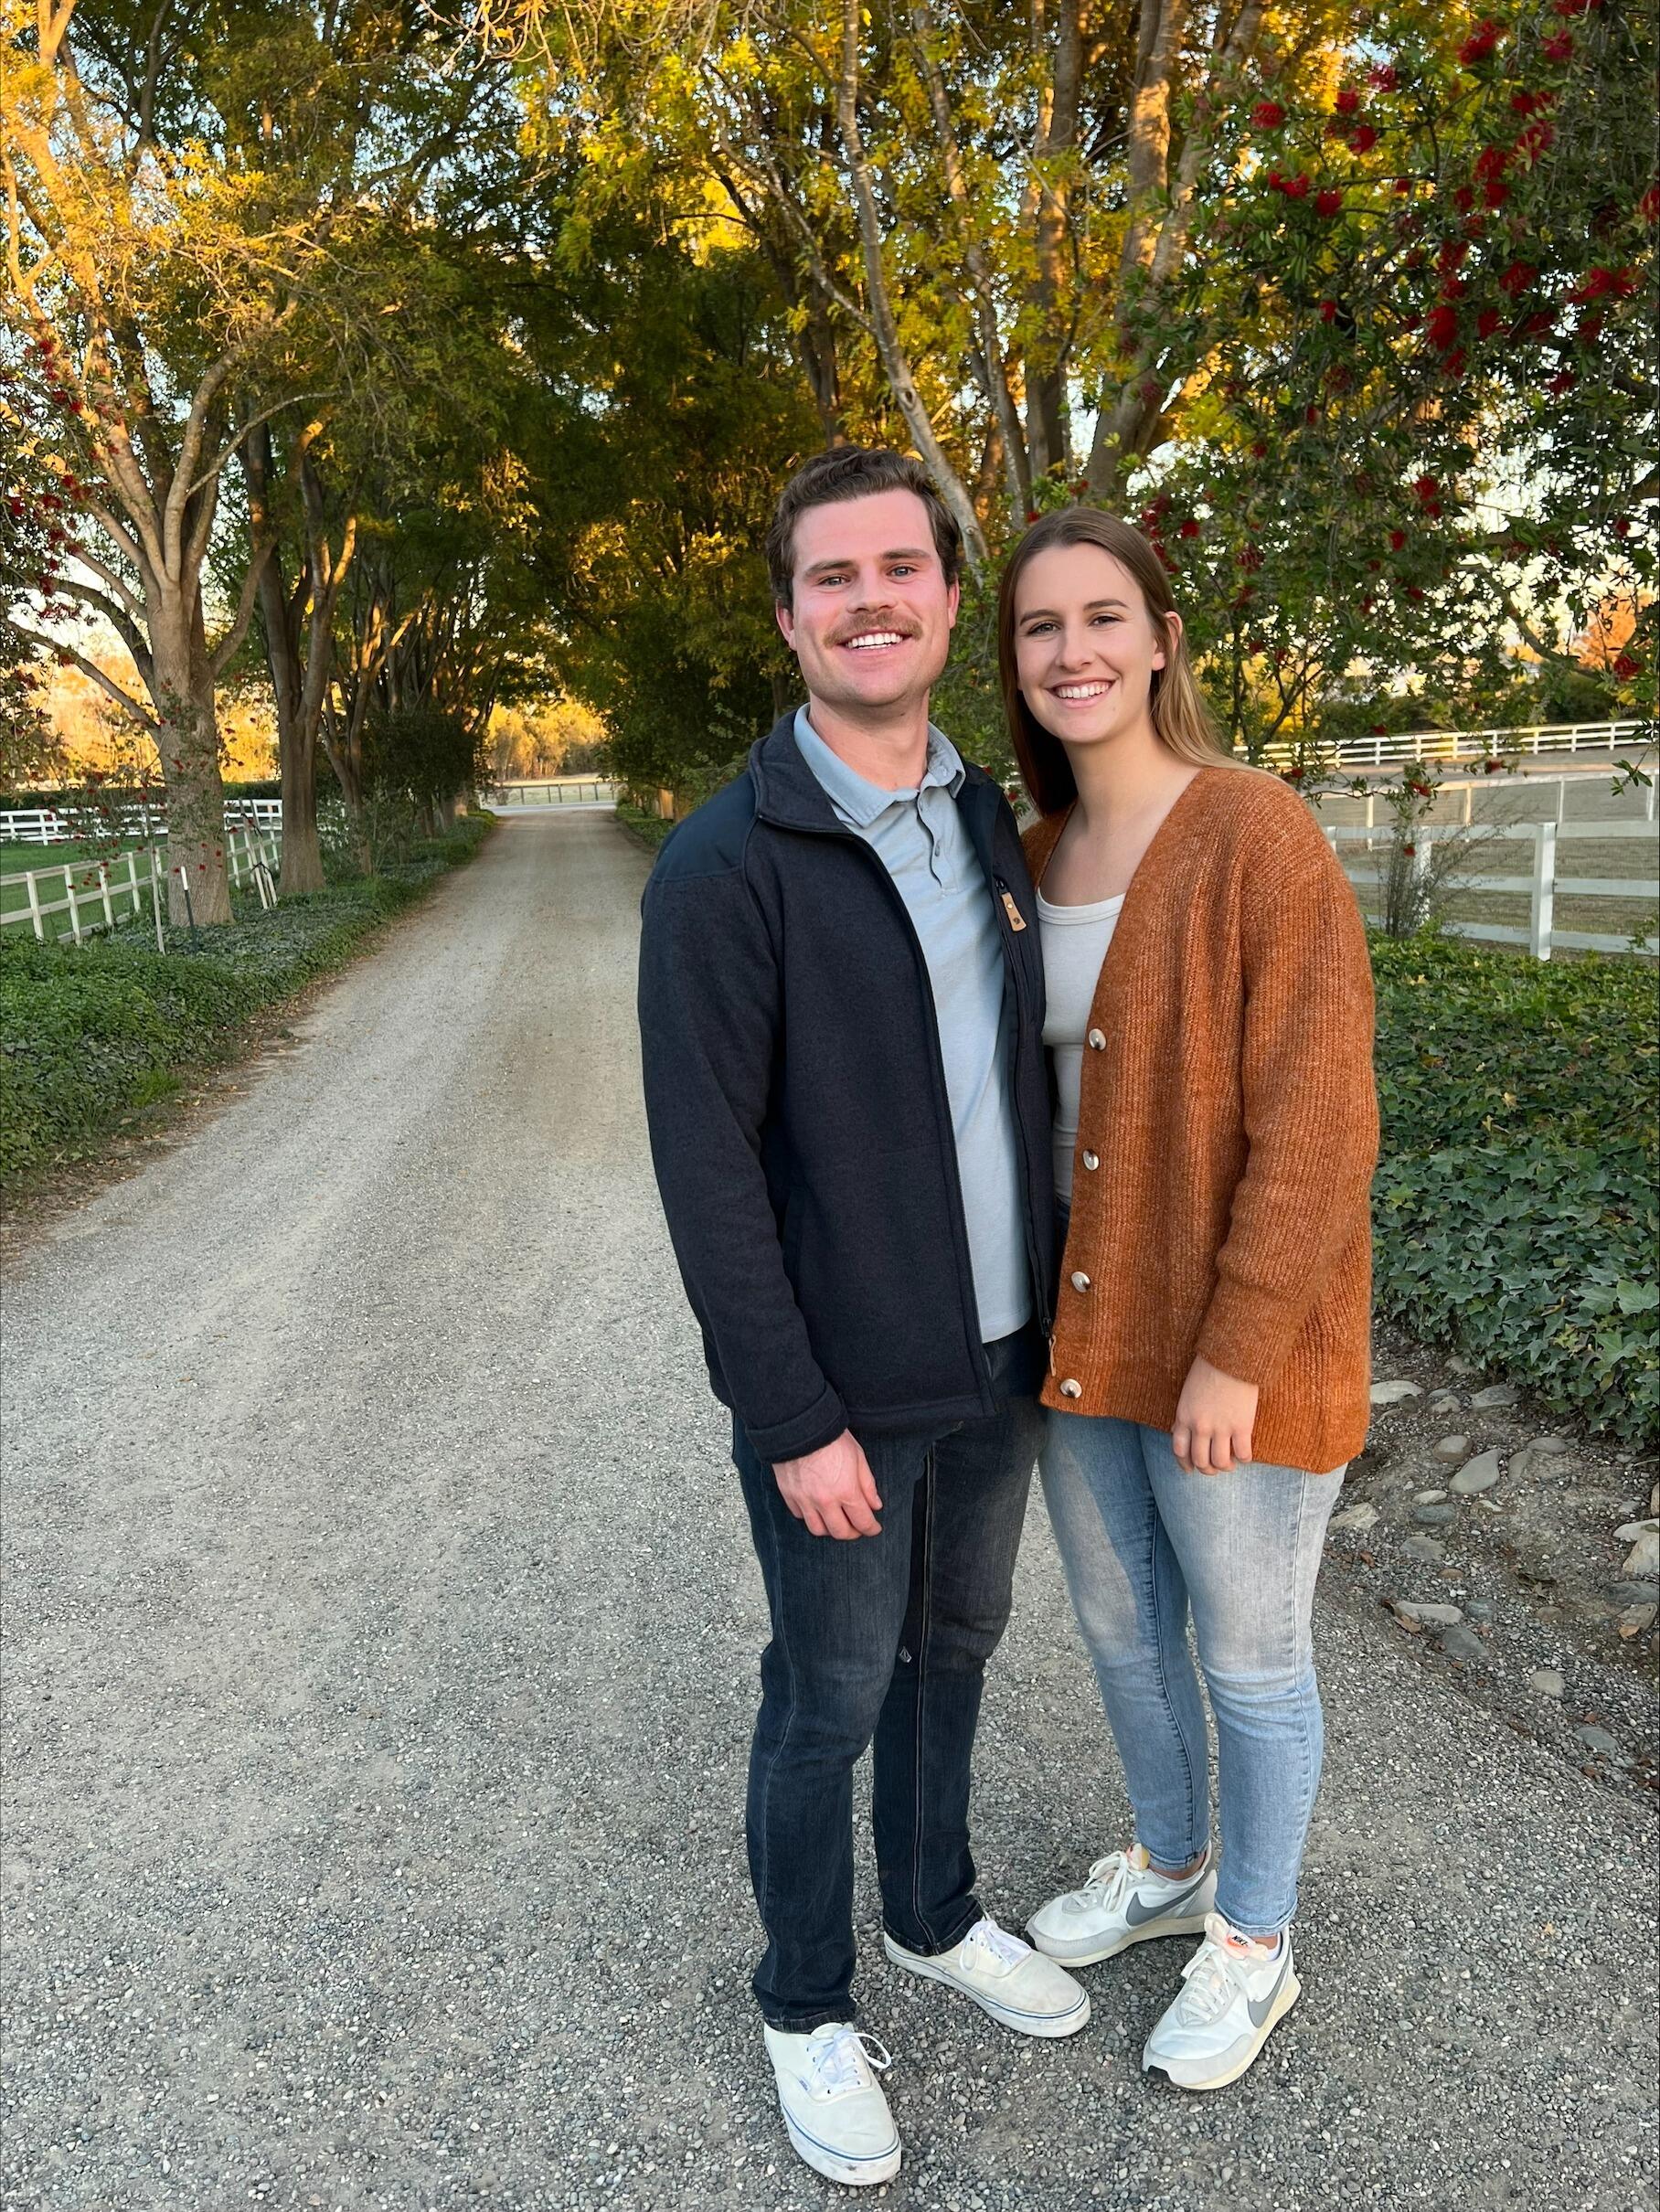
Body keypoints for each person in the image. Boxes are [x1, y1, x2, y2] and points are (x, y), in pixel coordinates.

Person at [636, 448, 1088, 2189]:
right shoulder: (725, 867)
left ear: (951, 600)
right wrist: (790, 1415)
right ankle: (806, 2002)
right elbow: (709, 1177)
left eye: (903, 567)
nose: (872, 598)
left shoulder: (988, 820)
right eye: (834, 576)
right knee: (824, 1693)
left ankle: (931, 1915)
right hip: (839, 1389)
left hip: (995, 1358)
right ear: (789, 615)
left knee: (950, 1658)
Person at [1002, 506, 1378, 2091]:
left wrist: (1234, 1354)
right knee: (1116, 1628)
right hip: (1084, 1326)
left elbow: (1318, 1120)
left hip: (1235, 1345)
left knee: (1248, 1651)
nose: (1073, 650)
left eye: (1103, 618)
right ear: (1012, 666)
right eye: (1039, 629)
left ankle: (1257, 1939)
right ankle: (1168, 1867)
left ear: (1160, 638)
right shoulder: (1024, 858)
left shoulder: (1253, 831)